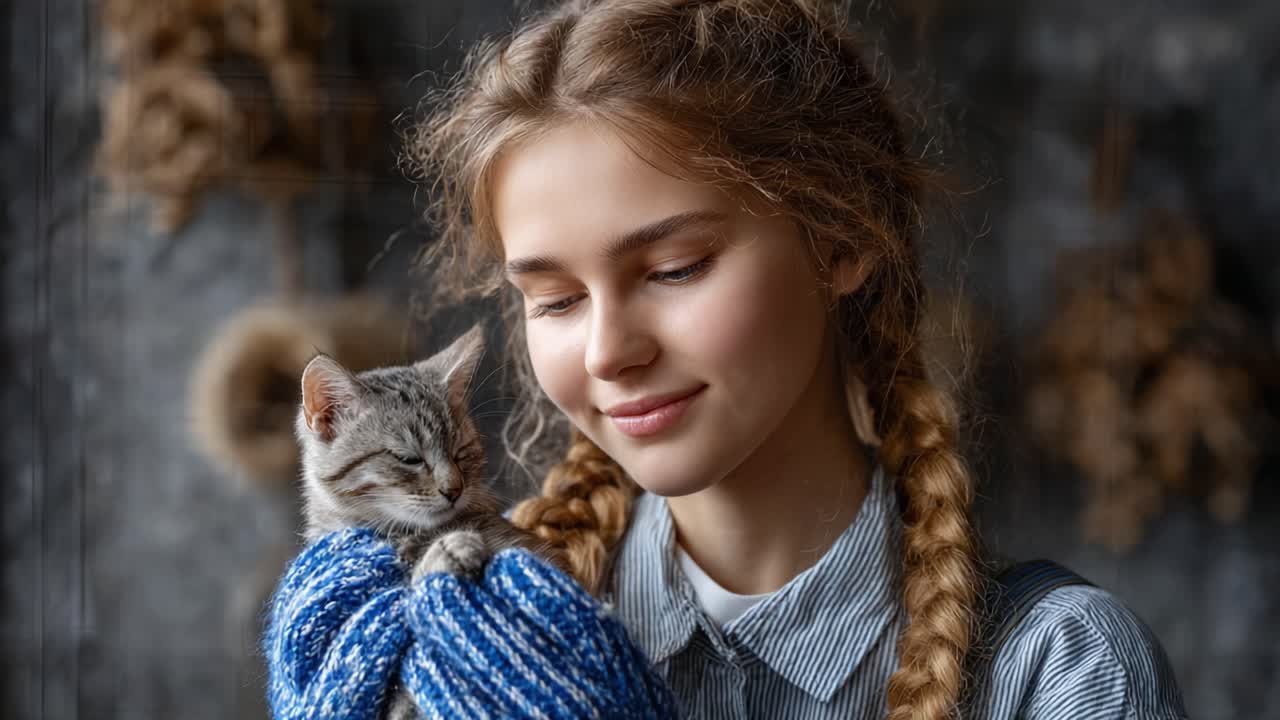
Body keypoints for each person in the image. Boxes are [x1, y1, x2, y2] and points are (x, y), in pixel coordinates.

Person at [272, 0, 1189, 718]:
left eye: (675, 269)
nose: (608, 351)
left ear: (837, 240)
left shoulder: (1058, 673)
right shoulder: (460, 631)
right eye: (553, 299)